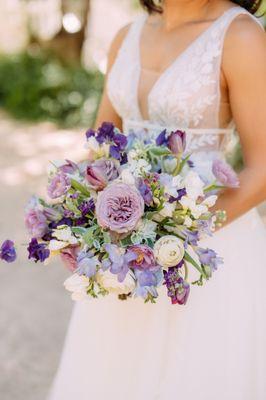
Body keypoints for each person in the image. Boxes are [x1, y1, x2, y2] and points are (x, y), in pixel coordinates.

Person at [48, 1, 266, 399]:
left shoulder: (241, 36)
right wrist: (86, 221)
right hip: (124, 259)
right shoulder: (125, 37)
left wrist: (173, 235)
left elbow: (263, 167)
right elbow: (101, 148)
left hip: (207, 255)